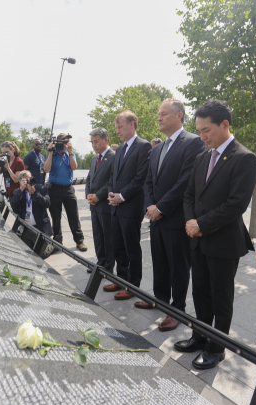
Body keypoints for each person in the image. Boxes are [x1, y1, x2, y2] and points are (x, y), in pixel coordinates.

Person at [175, 100, 256, 370]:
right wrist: (191, 221)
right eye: (198, 131)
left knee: (220, 298)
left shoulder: (244, 158)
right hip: (198, 239)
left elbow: (236, 204)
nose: (202, 136)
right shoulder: (202, 157)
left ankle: (216, 347)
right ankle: (200, 336)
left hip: (223, 242)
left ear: (225, 124)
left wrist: (201, 224)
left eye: (206, 130)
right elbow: (189, 194)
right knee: (199, 293)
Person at [141, 100, 205, 332]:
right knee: (159, 263)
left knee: (178, 267)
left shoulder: (193, 142)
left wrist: (161, 208)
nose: (158, 118)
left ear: (179, 115)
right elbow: (148, 181)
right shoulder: (157, 148)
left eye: (163, 114)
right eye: (158, 114)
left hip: (176, 219)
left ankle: (177, 310)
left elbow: (185, 182)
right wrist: (150, 207)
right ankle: (160, 301)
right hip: (156, 218)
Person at [103, 111, 151, 300]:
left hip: (130, 207)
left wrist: (122, 196)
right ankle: (121, 280)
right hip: (115, 206)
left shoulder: (144, 146)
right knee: (118, 246)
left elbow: (140, 177)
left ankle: (133, 286)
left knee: (131, 248)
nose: (118, 131)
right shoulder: (120, 149)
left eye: (120, 127)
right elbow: (113, 176)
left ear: (132, 124)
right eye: (116, 128)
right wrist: (111, 194)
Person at [44, 133, 87, 251]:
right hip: (54, 188)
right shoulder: (52, 154)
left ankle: (79, 241)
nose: (65, 143)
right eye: (63, 141)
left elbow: (74, 167)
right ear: (58, 142)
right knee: (56, 216)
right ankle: (58, 241)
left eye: (67, 141)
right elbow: (46, 169)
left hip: (68, 188)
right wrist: (50, 153)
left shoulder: (70, 154)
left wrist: (71, 152)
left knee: (73, 215)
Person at [85, 127, 116, 274]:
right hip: (94, 205)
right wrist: (88, 195)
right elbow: (89, 179)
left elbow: (112, 181)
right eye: (92, 142)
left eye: (96, 142)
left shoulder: (113, 157)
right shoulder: (93, 159)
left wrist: (98, 195)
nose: (94, 145)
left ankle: (109, 267)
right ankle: (101, 262)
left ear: (106, 140)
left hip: (105, 205)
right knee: (97, 236)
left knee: (108, 237)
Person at [10, 170, 53, 235]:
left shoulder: (41, 188)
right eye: (26, 180)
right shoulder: (18, 192)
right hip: (26, 229)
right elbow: (13, 204)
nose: (29, 181)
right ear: (20, 182)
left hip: (41, 229)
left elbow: (47, 203)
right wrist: (21, 190)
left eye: (30, 178)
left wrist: (34, 193)